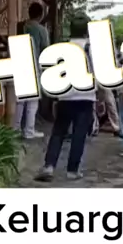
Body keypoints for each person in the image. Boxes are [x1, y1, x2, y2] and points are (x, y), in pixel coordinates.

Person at [35, 37, 95, 181]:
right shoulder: (92, 49)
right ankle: (72, 170)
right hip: (86, 97)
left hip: (65, 96)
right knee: (79, 135)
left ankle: (49, 166)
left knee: (58, 132)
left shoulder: (61, 49)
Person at [13, 2, 49, 139]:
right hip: (34, 65)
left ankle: (15, 129)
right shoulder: (41, 30)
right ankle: (29, 130)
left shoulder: (20, 27)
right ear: (40, 15)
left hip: (19, 64)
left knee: (20, 100)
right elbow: (45, 49)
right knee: (32, 101)